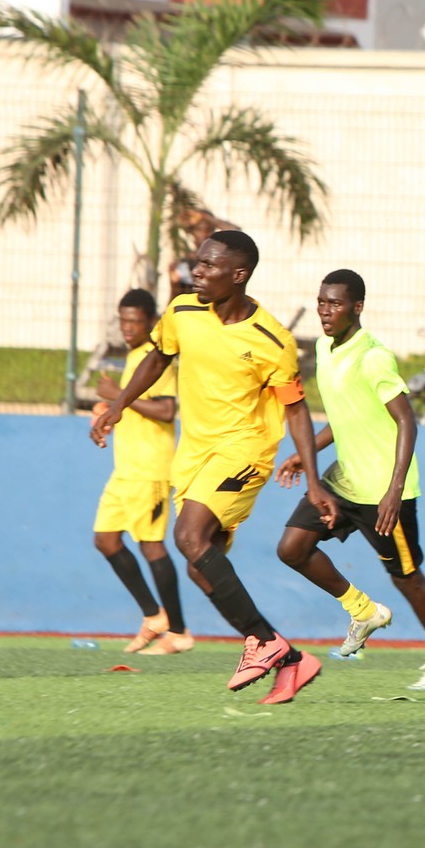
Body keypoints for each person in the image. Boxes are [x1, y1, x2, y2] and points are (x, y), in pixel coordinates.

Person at [92, 231, 337, 704]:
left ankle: (263, 645)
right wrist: (120, 403)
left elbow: (297, 410)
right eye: (196, 264)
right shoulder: (182, 312)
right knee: (201, 569)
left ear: (238, 275)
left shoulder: (273, 340)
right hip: (194, 455)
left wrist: (313, 481)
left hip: (245, 452)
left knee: (187, 536)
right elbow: (160, 357)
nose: (196, 272)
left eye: (207, 266)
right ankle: (289, 659)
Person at [272, 270, 425, 692]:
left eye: (335, 304)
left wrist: (394, 491)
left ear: (357, 307)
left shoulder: (373, 357)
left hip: (381, 490)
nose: (325, 311)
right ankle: (363, 610)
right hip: (344, 480)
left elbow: (406, 423)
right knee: (293, 547)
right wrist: (306, 458)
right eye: (321, 302)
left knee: (406, 576)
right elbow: (346, 416)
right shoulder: (324, 347)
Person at [91, 288, 191, 654]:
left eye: (135, 321)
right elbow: (133, 406)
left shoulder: (155, 357)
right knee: (105, 539)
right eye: (123, 320)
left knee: (151, 545)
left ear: (151, 322)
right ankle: (154, 616)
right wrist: (109, 410)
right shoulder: (134, 357)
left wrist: (118, 394)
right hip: (125, 470)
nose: (128, 327)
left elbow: (165, 410)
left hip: (150, 468)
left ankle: (178, 631)